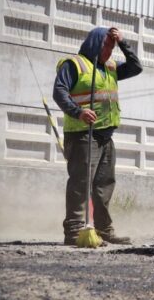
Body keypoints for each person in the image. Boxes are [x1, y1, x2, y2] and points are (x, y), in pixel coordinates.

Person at [53, 27, 143, 245]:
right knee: (81, 183)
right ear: (94, 43)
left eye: (112, 47)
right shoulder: (74, 65)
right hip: (83, 135)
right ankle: (74, 232)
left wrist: (123, 42)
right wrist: (79, 111)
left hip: (105, 134)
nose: (109, 51)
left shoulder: (110, 67)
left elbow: (136, 67)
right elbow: (59, 92)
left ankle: (104, 230)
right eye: (106, 45)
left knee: (104, 184)